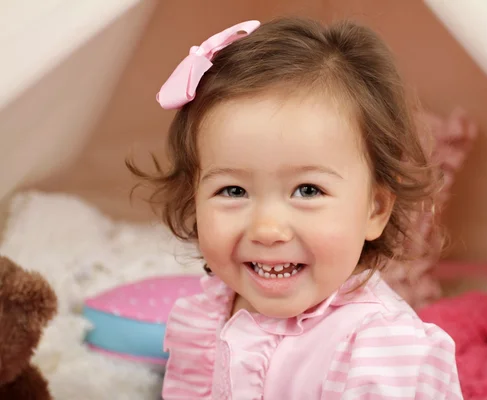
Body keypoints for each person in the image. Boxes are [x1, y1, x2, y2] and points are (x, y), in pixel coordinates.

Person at [128, 16, 463, 399]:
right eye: (234, 191)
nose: (267, 229)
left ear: (375, 210)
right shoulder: (209, 314)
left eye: (307, 190)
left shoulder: (380, 348)